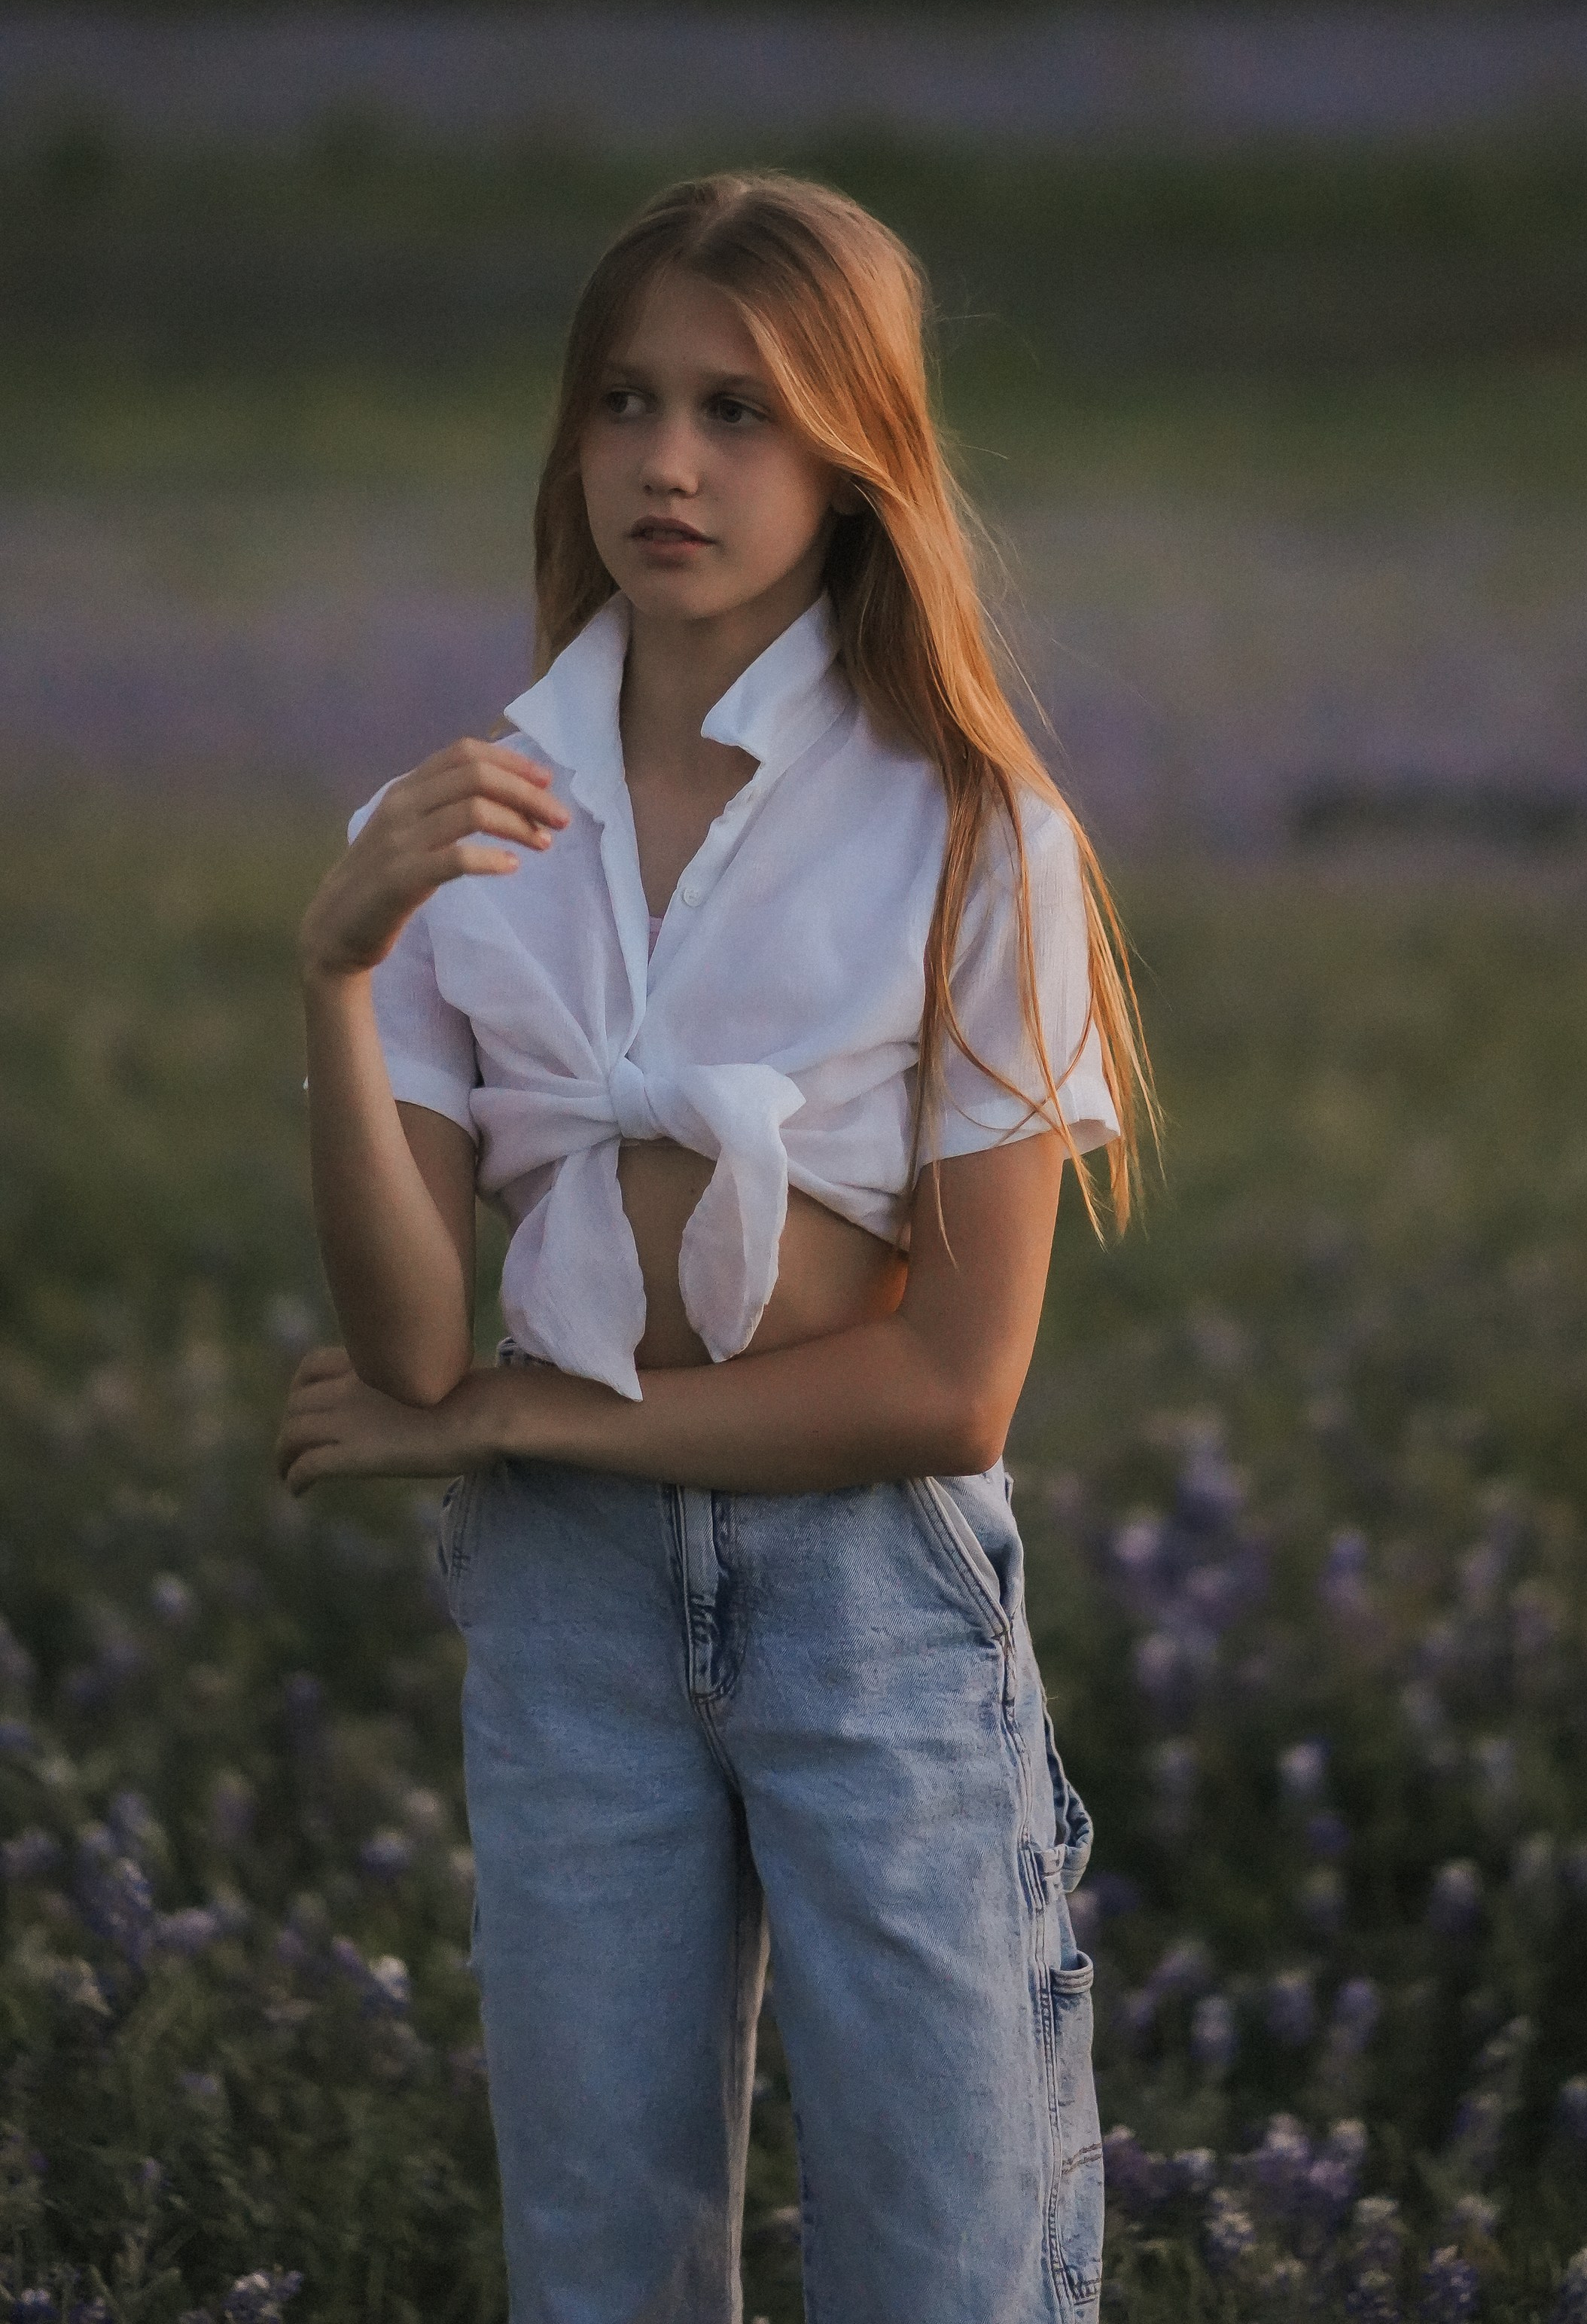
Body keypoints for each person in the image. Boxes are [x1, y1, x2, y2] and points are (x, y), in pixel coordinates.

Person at [276, 170, 1153, 2324]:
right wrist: (334, 972)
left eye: (743, 412)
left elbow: (952, 1384)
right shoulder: (461, 818)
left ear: (857, 456)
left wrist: (512, 1409)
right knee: (601, 2270)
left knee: (949, 2265)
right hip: (571, 1610)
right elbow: (396, 1353)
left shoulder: (964, 821)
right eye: (628, 403)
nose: (671, 462)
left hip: (868, 1602)